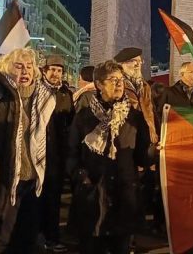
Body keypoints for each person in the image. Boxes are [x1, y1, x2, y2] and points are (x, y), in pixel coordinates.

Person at [0, 3, 64, 253]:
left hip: (31, 183)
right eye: (19, 66)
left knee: (25, 242)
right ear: (7, 68)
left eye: (29, 66)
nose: (25, 70)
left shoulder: (45, 98)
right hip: (2, 181)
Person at [67, 61, 152, 254]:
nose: (119, 84)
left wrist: (153, 151)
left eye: (121, 80)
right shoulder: (84, 116)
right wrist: (81, 177)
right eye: (112, 80)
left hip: (123, 194)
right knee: (90, 246)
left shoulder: (134, 117)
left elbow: (142, 158)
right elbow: (71, 152)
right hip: (93, 193)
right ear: (99, 84)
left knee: (120, 247)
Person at [40, 55, 76, 253]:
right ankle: (36, 234)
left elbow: (70, 121)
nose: (56, 74)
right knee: (36, 198)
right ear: (44, 71)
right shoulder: (37, 90)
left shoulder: (65, 93)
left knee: (53, 198)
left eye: (59, 70)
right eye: (52, 69)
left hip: (57, 155)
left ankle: (52, 237)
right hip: (38, 152)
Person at [114, 47, 157, 142]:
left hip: (144, 134)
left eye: (140, 61)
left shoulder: (145, 86)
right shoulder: (116, 84)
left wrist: (153, 130)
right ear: (122, 64)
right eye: (133, 61)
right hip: (124, 135)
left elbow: (149, 110)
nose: (138, 64)